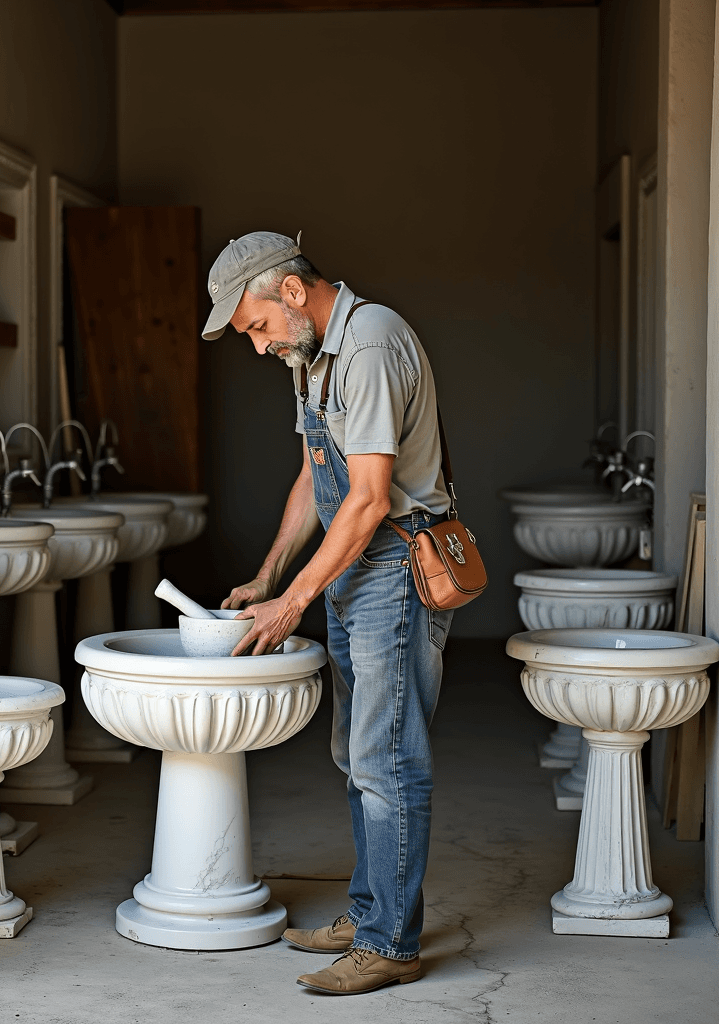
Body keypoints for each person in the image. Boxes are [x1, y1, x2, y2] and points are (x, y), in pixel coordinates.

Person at [203, 231, 453, 995]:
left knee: (387, 761)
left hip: (392, 570)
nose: (257, 346)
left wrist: (296, 601)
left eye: (255, 327)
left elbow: (373, 499)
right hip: (352, 571)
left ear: (289, 290)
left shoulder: (370, 343)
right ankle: (370, 910)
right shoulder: (311, 357)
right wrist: (268, 574)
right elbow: (318, 478)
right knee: (358, 756)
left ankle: (389, 945)